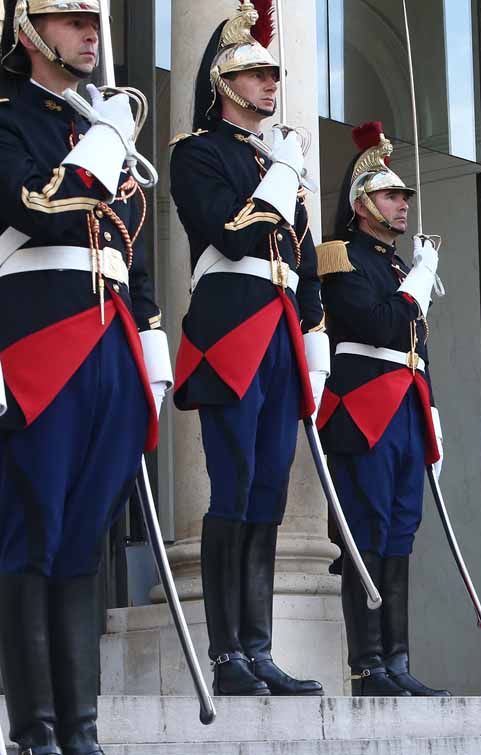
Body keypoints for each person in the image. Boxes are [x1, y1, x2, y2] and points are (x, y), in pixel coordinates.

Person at [0, 1, 171, 752]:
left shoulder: (97, 126)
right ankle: (35, 729)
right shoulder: (10, 116)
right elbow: (35, 208)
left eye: (93, 21)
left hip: (108, 345)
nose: (91, 34)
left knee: (84, 538)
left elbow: (131, 251)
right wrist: (102, 144)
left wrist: (151, 352)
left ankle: (83, 729)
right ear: (31, 32)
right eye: (72, 22)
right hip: (39, 342)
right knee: (27, 534)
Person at [168, 1, 325, 697]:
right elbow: (231, 234)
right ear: (224, 82)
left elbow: (305, 263)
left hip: (281, 335)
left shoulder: (276, 160)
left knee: (268, 492)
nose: (271, 85)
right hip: (231, 331)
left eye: (273, 75)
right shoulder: (196, 153)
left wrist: (316, 344)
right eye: (257, 74)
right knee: (232, 487)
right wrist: (283, 175)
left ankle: (258, 648)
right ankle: (226, 653)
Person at [315, 121, 449, 697]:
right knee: (365, 534)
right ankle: (367, 664)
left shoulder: (397, 267)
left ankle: (396, 659)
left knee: (400, 534)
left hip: (406, 408)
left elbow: (417, 347)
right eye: (392, 195)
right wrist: (418, 281)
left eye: (402, 197)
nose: (402, 206)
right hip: (363, 408)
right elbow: (375, 323)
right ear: (362, 201)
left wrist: (433, 409)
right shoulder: (338, 255)